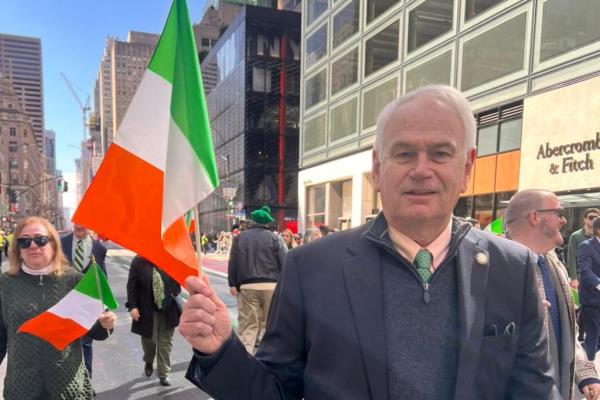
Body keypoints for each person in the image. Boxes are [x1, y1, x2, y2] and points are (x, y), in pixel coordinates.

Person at [179, 85, 556, 399]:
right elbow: (277, 391)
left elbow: (535, 390)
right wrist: (221, 352)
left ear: (467, 168)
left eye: (440, 153)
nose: (422, 169)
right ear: (378, 168)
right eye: (405, 153)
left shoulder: (514, 267)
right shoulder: (311, 268)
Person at [0, 216, 116, 399]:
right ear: (17, 248)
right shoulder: (4, 284)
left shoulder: (75, 280)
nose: (33, 246)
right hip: (22, 388)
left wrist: (106, 324)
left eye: (40, 240)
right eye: (24, 241)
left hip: (67, 387)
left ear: (53, 244)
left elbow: (96, 332)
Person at [505, 189, 600, 400]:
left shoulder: (554, 264)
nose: (564, 220)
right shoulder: (496, 266)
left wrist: (585, 375)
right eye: (559, 213)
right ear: (534, 217)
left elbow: (568, 333)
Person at [227, 205, 288, 353]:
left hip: (247, 287)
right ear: (267, 222)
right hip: (271, 286)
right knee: (271, 325)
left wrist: (233, 283)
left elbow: (233, 261)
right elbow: (285, 260)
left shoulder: (239, 238)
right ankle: (270, 358)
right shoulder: (274, 238)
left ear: (252, 221)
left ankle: (244, 361)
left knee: (248, 325)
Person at [60, 224, 108, 380]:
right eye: (77, 222)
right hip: (64, 301)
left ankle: (86, 381)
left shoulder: (99, 248)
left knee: (86, 344)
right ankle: (69, 380)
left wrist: (104, 304)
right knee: (66, 343)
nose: (79, 226)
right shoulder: (61, 243)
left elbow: (102, 275)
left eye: (83, 222)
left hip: (88, 302)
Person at [126, 256, 181, 386]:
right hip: (146, 308)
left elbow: (178, 281)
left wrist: (173, 292)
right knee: (149, 340)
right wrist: (132, 306)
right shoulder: (138, 261)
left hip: (167, 307)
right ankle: (149, 360)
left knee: (165, 342)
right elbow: (132, 285)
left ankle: (164, 374)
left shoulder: (170, 257)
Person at [578, 217, 600, 360]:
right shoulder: (586, 246)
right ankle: (588, 370)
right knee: (593, 333)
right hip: (592, 299)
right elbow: (585, 272)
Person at [568, 208, 600, 288]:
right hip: (583, 277)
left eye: (596, 217)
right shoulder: (575, 236)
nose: (593, 219)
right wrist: (573, 278)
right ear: (585, 219)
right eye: (591, 217)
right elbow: (571, 257)